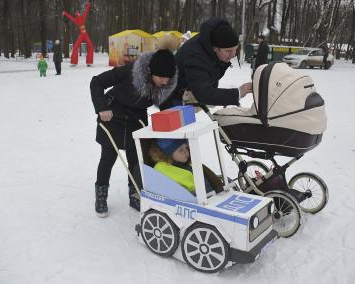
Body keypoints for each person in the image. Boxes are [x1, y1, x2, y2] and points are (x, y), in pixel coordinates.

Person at [90, 48, 177, 218]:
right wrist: (102, 108)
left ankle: (135, 194)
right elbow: (97, 82)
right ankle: (101, 196)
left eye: (168, 78)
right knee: (108, 159)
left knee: (136, 160)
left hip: (136, 120)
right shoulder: (130, 72)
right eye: (161, 77)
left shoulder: (164, 83)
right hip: (112, 116)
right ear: (151, 71)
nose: (165, 82)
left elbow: (166, 105)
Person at [160, 17, 252, 109]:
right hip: (170, 92)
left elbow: (212, 70)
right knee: (174, 122)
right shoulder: (196, 56)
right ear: (215, 48)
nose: (233, 55)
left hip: (186, 90)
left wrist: (214, 93)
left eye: (235, 49)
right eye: (228, 51)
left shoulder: (210, 44)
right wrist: (238, 93)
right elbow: (203, 93)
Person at [149, 139, 223, 195]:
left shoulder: (188, 162)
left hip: (209, 193)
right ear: (168, 154)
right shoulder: (161, 169)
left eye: (186, 148)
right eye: (181, 150)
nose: (185, 151)